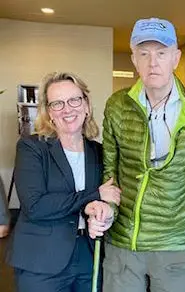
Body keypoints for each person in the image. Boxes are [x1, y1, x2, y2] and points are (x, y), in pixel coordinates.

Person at [88, 17, 185, 292]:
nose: (153, 62)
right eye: (144, 53)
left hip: (176, 245)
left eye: (161, 53)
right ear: (134, 59)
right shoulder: (117, 106)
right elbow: (111, 175)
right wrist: (106, 212)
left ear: (175, 58)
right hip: (124, 244)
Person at [6, 72, 121, 292]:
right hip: (41, 260)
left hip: (88, 255)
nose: (67, 109)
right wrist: (94, 195)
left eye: (74, 100)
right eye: (57, 103)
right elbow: (35, 205)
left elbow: (108, 199)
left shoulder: (99, 152)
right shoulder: (32, 148)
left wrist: (103, 212)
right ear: (49, 112)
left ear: (86, 105)